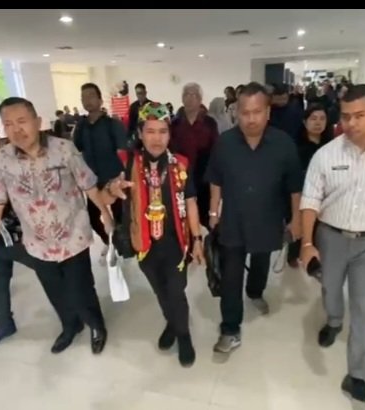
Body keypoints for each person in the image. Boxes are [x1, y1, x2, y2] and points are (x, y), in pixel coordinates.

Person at [299, 84, 365, 405]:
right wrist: (307, 242)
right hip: (332, 236)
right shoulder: (326, 154)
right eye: (346, 116)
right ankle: (334, 321)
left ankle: (358, 375)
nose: (351, 123)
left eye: (360, 115)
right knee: (330, 289)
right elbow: (310, 200)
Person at [0, 97, 111, 355]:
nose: (16, 130)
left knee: (81, 289)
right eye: (8, 124)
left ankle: (96, 325)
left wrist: (105, 214)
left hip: (73, 237)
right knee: (55, 291)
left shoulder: (63, 149)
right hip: (37, 243)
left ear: (38, 122)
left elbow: (88, 185)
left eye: (22, 121)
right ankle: (70, 326)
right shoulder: (2, 159)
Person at [0, 110, 79, 353]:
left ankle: (71, 323)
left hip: (23, 236)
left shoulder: (13, 160)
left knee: (53, 280)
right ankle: (3, 324)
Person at [103, 102, 204, 367]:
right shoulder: (127, 162)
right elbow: (104, 196)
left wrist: (198, 240)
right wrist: (113, 189)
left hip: (176, 244)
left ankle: (183, 335)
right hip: (144, 244)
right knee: (160, 291)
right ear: (140, 133)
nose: (157, 138)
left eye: (162, 131)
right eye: (150, 131)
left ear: (170, 134)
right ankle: (171, 323)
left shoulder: (180, 164)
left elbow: (191, 202)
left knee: (176, 292)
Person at [206, 82, 302, 354]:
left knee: (261, 261)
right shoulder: (225, 142)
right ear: (237, 112)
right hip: (233, 220)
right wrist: (213, 212)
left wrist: (296, 219)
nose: (250, 118)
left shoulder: (283, 143)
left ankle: (255, 292)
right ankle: (230, 328)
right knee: (231, 275)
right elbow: (215, 180)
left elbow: (295, 187)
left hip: (268, 218)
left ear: (267, 112)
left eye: (257, 112)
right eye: (245, 112)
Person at [73, 83, 128, 264]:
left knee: (120, 217)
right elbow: (76, 150)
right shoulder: (81, 127)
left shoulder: (113, 124)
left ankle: (122, 246)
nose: (87, 100)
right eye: (84, 97)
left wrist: (124, 176)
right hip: (92, 182)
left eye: (91, 96)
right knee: (92, 217)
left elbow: (123, 152)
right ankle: (109, 242)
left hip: (114, 178)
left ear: (100, 100)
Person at [287, 104, 332, 268]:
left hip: (326, 198)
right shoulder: (295, 148)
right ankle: (295, 255)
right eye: (313, 119)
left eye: (322, 119)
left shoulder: (332, 148)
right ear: (305, 122)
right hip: (301, 195)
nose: (318, 123)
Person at [170, 83, 218, 229]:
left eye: (194, 95)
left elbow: (216, 150)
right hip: (180, 177)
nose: (190, 98)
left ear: (200, 99)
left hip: (204, 177)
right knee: (182, 217)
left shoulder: (209, 123)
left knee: (204, 217)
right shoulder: (174, 124)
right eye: (187, 95)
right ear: (182, 98)